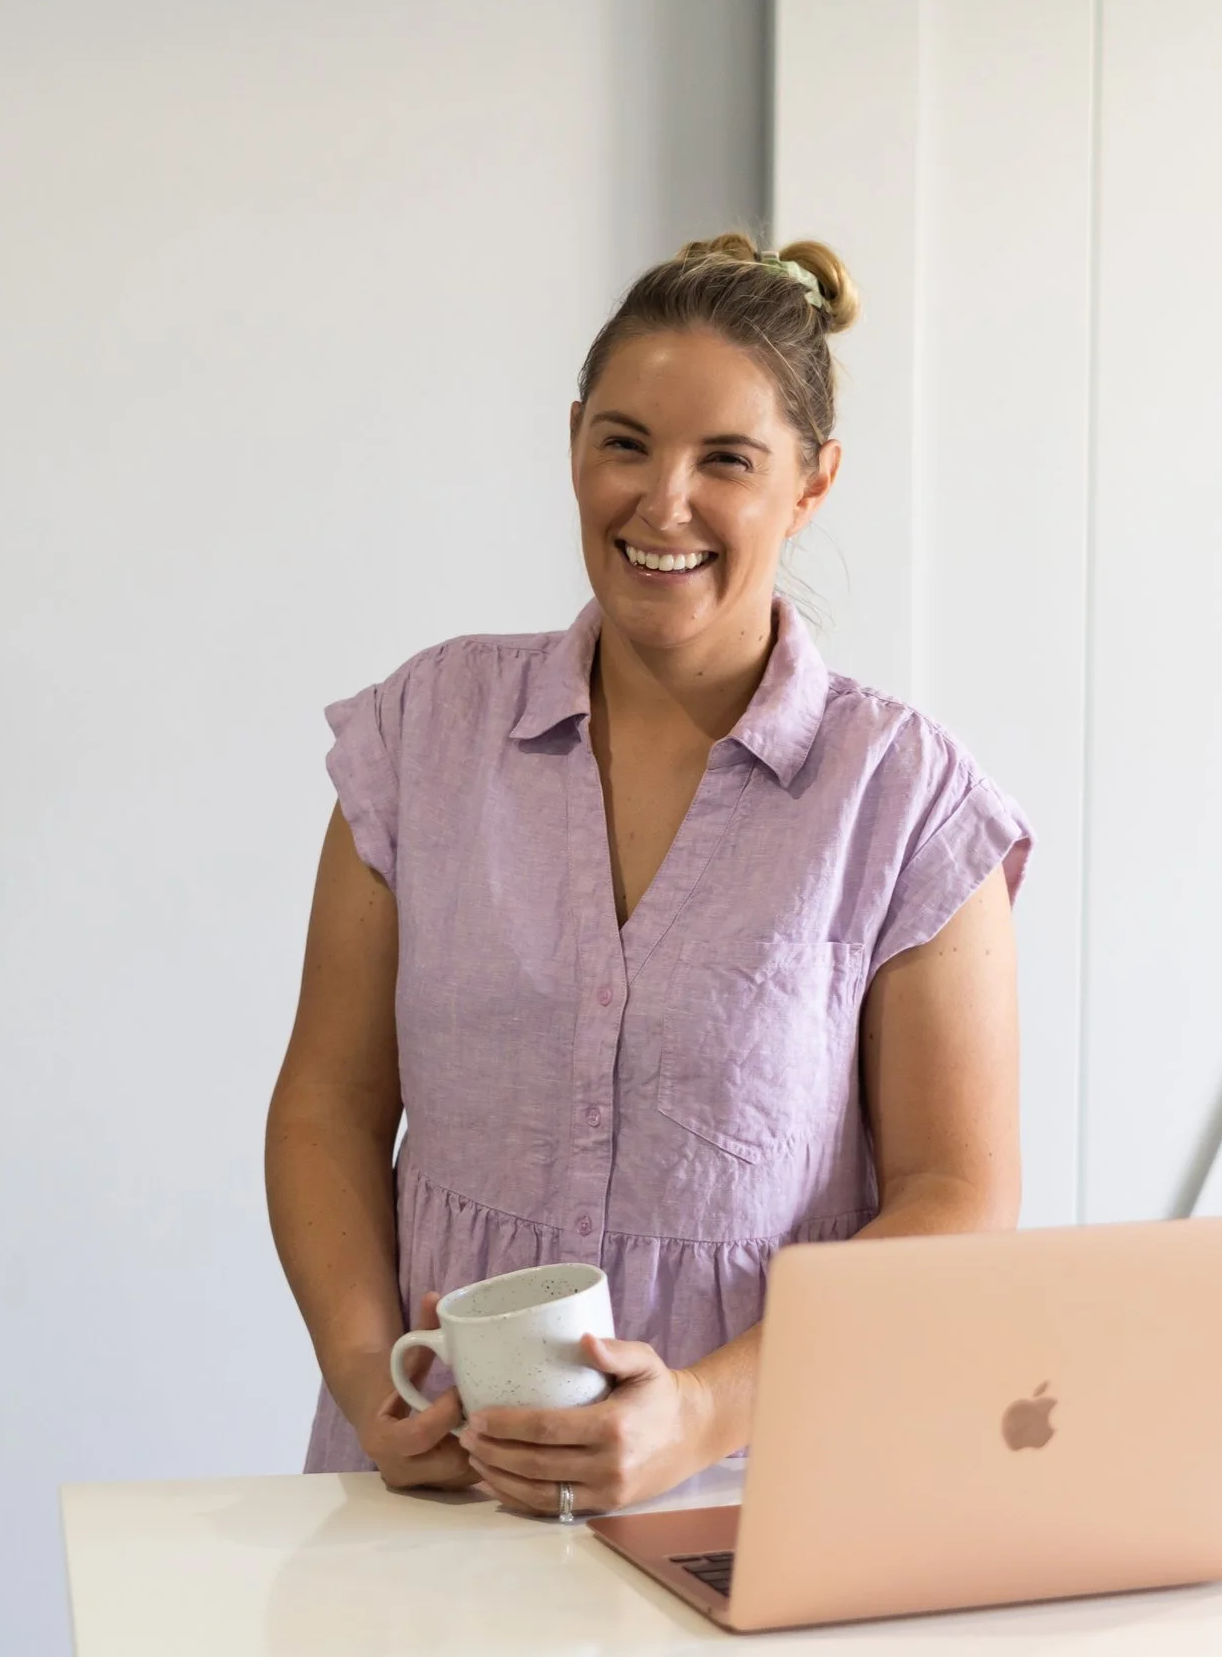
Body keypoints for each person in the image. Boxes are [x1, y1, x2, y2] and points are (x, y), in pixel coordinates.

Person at [263, 233, 1031, 1518]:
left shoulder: (905, 799)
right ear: (573, 443)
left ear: (811, 483)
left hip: (762, 1498)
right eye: (624, 443)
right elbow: (329, 1101)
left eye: (726, 459)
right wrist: (368, 1382)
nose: (660, 501)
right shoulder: (421, 734)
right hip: (433, 1494)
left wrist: (703, 1412)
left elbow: (960, 1197)